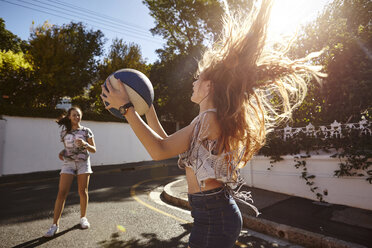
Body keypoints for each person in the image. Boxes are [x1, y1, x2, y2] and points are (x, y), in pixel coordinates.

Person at [101, 0, 325, 247]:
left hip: (214, 215)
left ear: (210, 86)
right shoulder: (206, 119)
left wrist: (127, 109)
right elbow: (166, 142)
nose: (193, 83)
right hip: (213, 212)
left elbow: (158, 150)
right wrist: (147, 106)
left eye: (198, 79)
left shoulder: (210, 119)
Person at [44, 107, 96, 238]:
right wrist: (62, 152)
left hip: (83, 163)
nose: (77, 117)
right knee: (61, 193)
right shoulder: (64, 133)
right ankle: (54, 225)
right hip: (68, 164)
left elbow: (94, 149)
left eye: (78, 115)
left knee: (82, 191)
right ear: (69, 117)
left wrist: (85, 144)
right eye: (74, 115)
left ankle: (83, 218)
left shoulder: (86, 131)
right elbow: (67, 149)